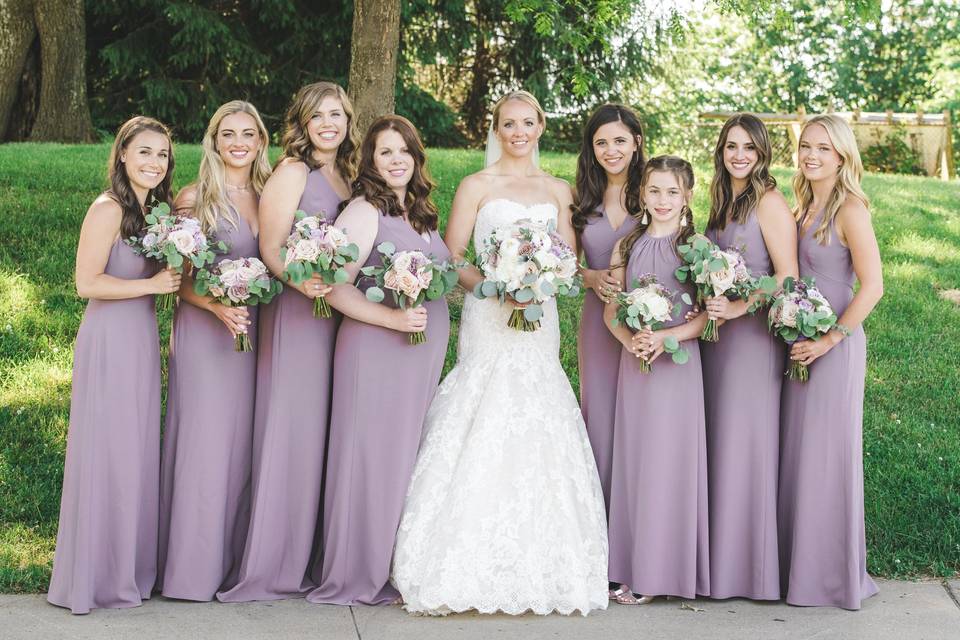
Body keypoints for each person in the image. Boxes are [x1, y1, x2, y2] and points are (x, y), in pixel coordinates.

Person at [392, 91, 608, 616]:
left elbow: (565, 261)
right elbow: (451, 256)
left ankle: (545, 563)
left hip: (538, 323)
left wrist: (537, 284)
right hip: (489, 317)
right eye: (508, 123)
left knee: (537, 409)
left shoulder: (560, 190)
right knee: (482, 404)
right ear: (496, 128)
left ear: (540, 126)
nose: (518, 131)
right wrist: (494, 284)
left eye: (527, 122)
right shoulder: (476, 186)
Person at [218, 81, 357, 602]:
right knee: (292, 431)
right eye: (319, 115)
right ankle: (274, 562)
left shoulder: (349, 172)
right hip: (298, 315)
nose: (329, 124)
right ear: (302, 121)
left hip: (341, 318)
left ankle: (317, 557)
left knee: (325, 434)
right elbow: (271, 247)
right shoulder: (292, 171)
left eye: (337, 114)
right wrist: (303, 281)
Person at [307, 115, 451, 606]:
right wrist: (391, 322)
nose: (396, 161)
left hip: (418, 357)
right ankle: (353, 572)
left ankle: (390, 561)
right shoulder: (365, 211)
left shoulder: (422, 212)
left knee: (402, 460)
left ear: (417, 157)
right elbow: (335, 287)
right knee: (368, 459)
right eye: (385, 152)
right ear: (370, 160)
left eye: (404, 151)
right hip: (376, 353)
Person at [47, 116, 179, 614]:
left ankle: (126, 571)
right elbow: (87, 283)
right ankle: (91, 580)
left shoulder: (156, 212)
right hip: (108, 340)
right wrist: (150, 285)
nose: (153, 163)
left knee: (133, 452)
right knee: (106, 452)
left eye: (162, 154)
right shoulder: (107, 208)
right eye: (144, 152)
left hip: (140, 339)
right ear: (122, 154)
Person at [158, 100, 271, 601]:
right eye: (229, 134)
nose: (239, 142)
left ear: (262, 141)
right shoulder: (194, 197)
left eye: (249, 133)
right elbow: (176, 282)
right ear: (214, 141)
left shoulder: (272, 195)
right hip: (207, 333)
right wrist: (217, 306)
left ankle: (234, 564)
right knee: (205, 445)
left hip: (255, 332)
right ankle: (190, 573)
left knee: (243, 448)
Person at [778, 114, 883, 609]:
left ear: (842, 154)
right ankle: (797, 571)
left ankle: (830, 578)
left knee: (826, 458)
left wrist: (831, 339)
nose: (812, 156)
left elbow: (873, 286)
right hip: (798, 340)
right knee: (799, 456)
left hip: (835, 348)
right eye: (806, 148)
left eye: (823, 148)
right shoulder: (801, 206)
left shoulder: (850, 209)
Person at [700, 113, 798, 600]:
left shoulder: (769, 202)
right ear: (721, 151)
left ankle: (751, 573)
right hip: (715, 341)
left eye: (749, 148)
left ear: (762, 154)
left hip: (752, 340)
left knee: (746, 446)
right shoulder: (721, 200)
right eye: (731, 146)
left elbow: (786, 275)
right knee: (720, 443)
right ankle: (718, 566)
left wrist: (738, 306)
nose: (739, 155)